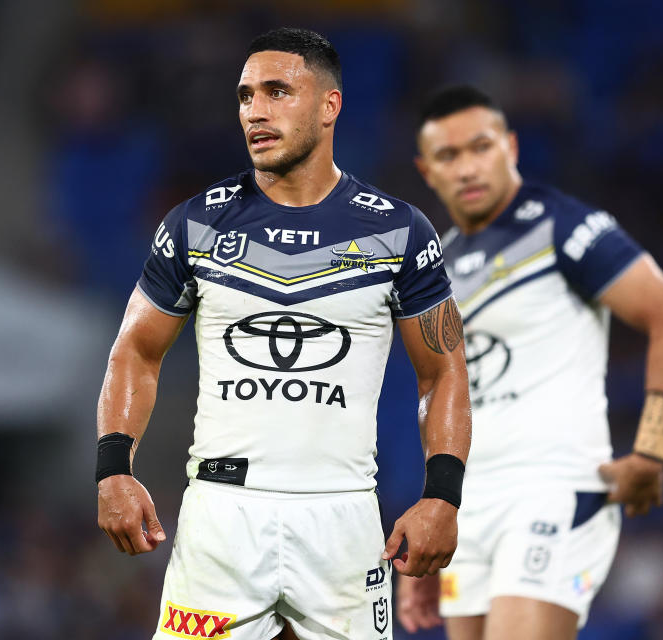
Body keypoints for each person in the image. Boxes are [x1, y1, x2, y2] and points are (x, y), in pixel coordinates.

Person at [95, 29, 473, 640]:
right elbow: (136, 351)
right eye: (245, 96)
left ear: (330, 106)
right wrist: (114, 467)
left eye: (277, 92)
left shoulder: (402, 232)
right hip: (222, 518)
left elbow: (444, 370)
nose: (255, 111)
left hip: (343, 516)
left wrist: (443, 496)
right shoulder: (195, 223)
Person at [397, 86, 663, 640]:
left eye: (481, 147)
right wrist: (433, 510)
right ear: (426, 170)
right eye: (449, 155)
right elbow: (436, 392)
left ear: (510, 146)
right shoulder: (435, 263)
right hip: (471, 501)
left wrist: (651, 451)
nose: (468, 167)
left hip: (551, 486)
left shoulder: (560, 226)